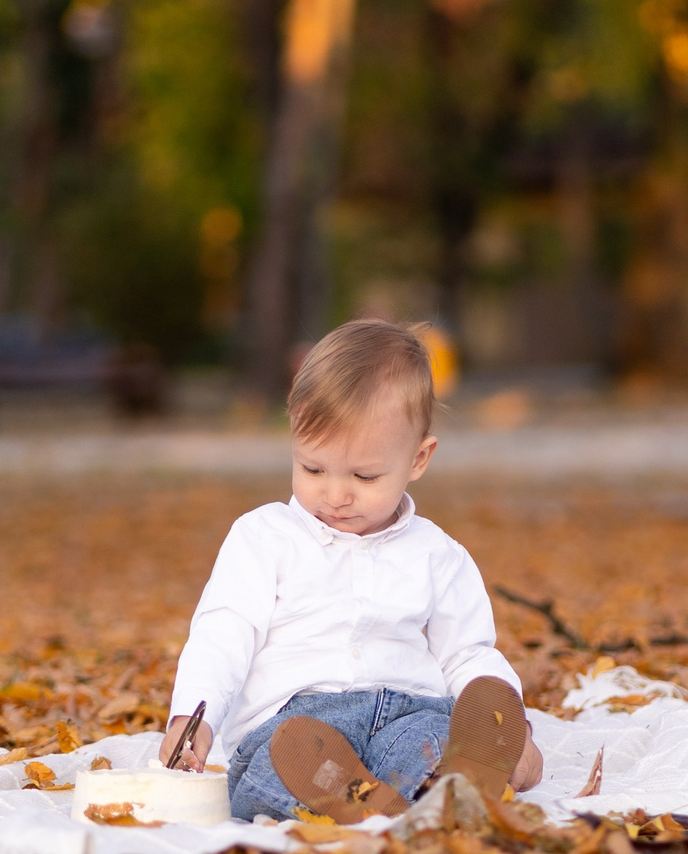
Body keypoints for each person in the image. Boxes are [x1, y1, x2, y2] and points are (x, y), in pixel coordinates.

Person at [166, 319, 545, 822]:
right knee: (268, 768)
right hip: (297, 722)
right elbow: (223, 631)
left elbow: (468, 652)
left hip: (405, 711)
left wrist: (509, 723)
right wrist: (194, 717)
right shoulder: (264, 538)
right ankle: (363, 797)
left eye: (365, 476)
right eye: (313, 469)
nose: (336, 495)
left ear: (419, 458)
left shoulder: (437, 553)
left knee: (434, 737)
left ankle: (451, 780)